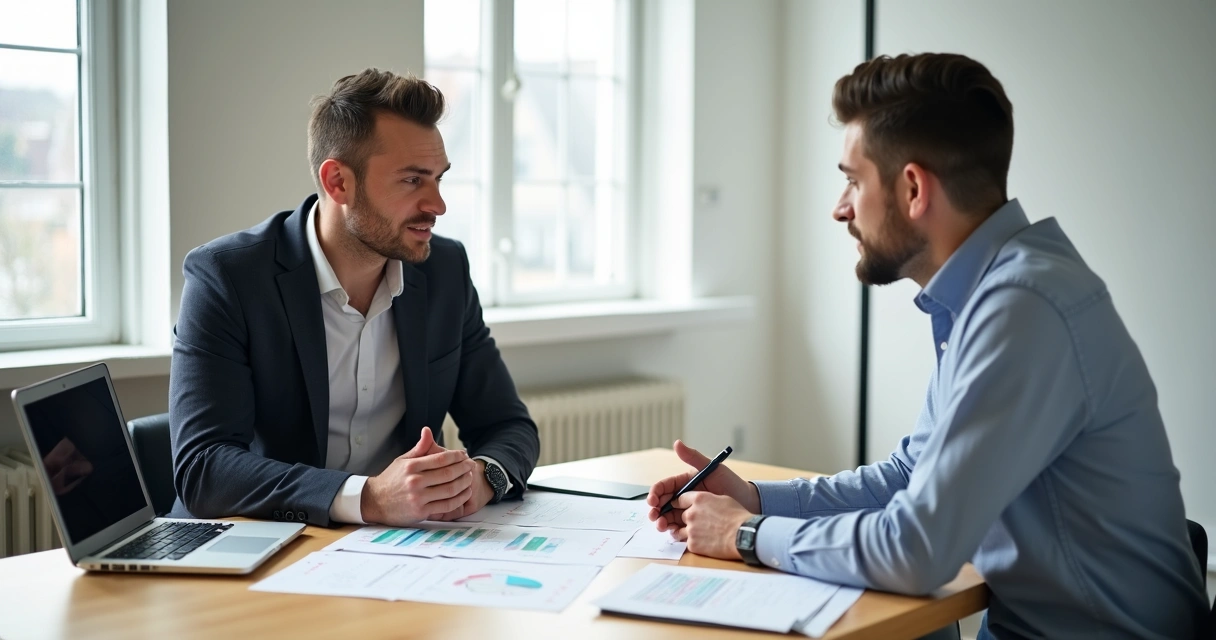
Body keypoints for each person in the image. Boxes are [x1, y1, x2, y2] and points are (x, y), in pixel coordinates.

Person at [647, 53, 1207, 639]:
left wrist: (744, 534)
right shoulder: (989, 294)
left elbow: (917, 552)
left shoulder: (1024, 307)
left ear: (913, 188)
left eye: (852, 181)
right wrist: (755, 498)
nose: (840, 208)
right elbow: (907, 476)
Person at [170, 69, 539, 528]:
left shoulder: (444, 270)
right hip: (263, 548)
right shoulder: (227, 276)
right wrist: (367, 497)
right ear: (338, 182)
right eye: (411, 181)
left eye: (439, 179)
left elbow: (508, 425)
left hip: (400, 554)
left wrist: (481, 479)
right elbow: (204, 468)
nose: (437, 205)